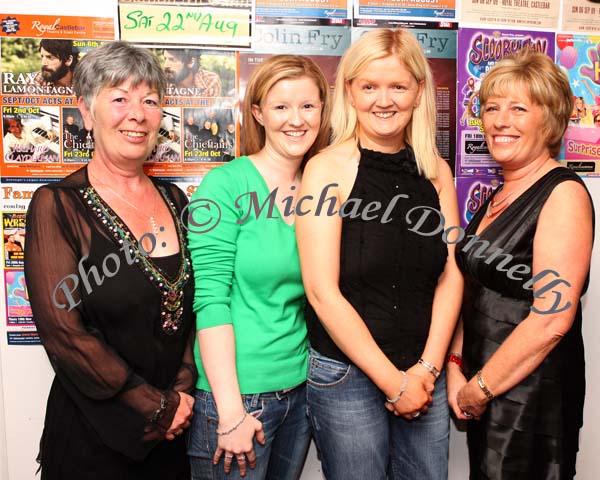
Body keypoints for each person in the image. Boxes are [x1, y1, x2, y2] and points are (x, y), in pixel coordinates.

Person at [295, 28, 463, 480]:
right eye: (369, 86)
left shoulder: (436, 173)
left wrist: (426, 369)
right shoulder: (326, 169)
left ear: (418, 92)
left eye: (397, 86)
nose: (383, 100)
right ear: (349, 90)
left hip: (424, 373)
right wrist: (395, 383)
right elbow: (320, 290)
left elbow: (452, 275)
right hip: (347, 377)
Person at [24, 41, 196, 479]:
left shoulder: (176, 200)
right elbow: (65, 335)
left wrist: (178, 395)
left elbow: (187, 311)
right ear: (86, 111)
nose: (137, 114)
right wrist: (156, 407)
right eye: (119, 98)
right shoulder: (56, 205)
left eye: (150, 100)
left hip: (172, 435)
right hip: (93, 438)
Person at [446, 49, 594, 479]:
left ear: (549, 120)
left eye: (518, 108)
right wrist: (458, 369)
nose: (499, 120)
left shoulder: (562, 194)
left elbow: (552, 320)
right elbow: (471, 289)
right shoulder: (498, 193)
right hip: (485, 384)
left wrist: (480, 388)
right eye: (492, 108)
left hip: (531, 396)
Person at [186, 54, 331, 479]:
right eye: (281, 106)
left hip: (301, 392)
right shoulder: (225, 184)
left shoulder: (323, 187)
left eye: (308, 106)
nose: (296, 120)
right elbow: (210, 300)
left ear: (323, 110)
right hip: (237, 397)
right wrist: (230, 411)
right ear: (258, 113)